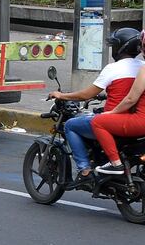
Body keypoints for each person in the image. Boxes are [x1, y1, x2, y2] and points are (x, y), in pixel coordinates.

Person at [49, 27, 143, 181]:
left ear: (120, 47)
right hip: (134, 120)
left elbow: (86, 95)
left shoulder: (113, 68)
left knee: (71, 125)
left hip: (115, 121)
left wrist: (62, 95)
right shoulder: (141, 66)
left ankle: (84, 170)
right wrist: (106, 95)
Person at [93, 30, 145, 175]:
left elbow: (130, 99)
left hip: (141, 122)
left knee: (98, 121)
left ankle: (115, 164)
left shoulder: (144, 70)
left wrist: (112, 112)